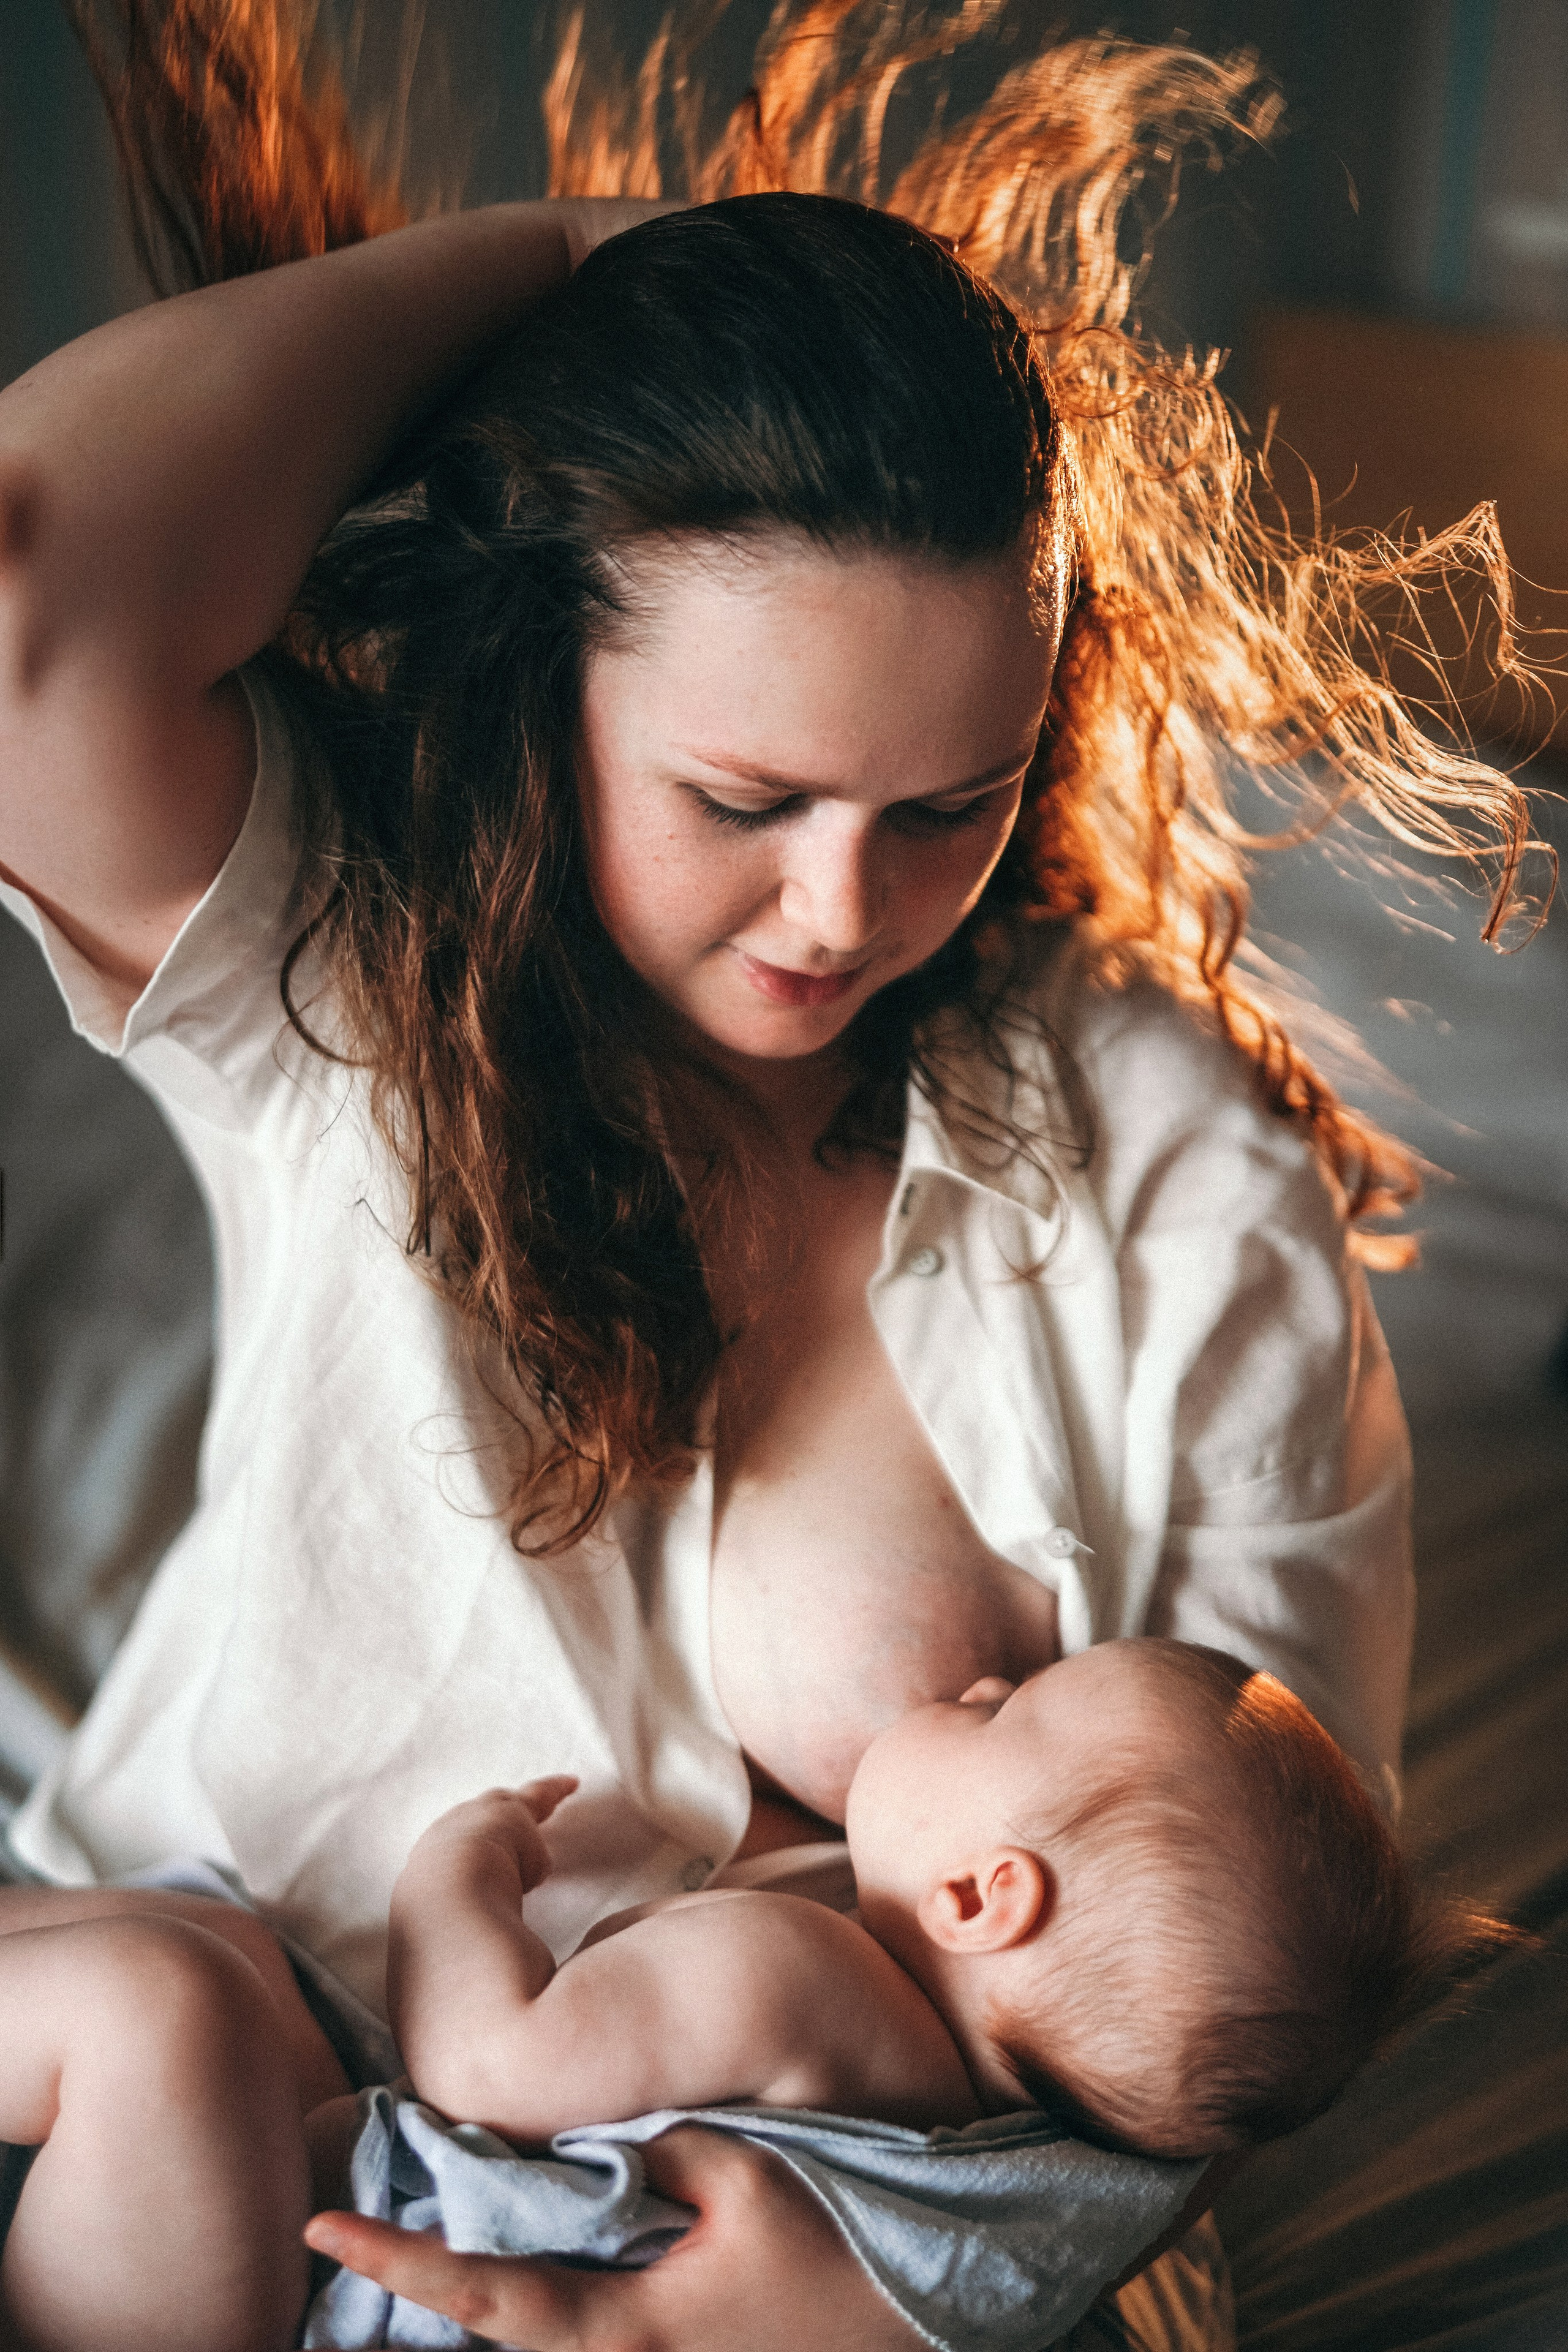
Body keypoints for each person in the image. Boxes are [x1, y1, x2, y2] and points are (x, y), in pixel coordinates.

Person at [0, 2, 1533, 2345]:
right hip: (207, 2134)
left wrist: (881, 2292)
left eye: (951, 804)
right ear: (552, 692)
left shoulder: (1174, 1180)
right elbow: (31, 615)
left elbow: (1223, 2001)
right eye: (746, 803)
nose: (844, 913)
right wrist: (572, 265)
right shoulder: (362, 981)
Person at [0, 1640, 1492, 2352]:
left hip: (304, 2306)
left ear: (983, 1896)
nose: (973, 1688)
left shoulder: (795, 1980)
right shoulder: (1051, 2197)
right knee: (220, 1965)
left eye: (1011, 1710)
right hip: (327, 2255)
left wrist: (455, 1877)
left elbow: (479, 2068)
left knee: (168, 1994)